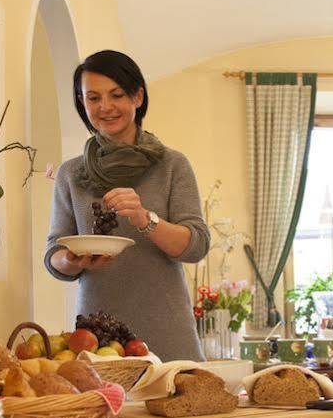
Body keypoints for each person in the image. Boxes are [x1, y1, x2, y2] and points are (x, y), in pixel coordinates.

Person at [44, 50, 209, 361]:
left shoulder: (172, 164)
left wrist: (145, 218)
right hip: (97, 341)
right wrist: (74, 259)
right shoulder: (71, 173)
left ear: (138, 96)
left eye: (116, 94)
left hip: (168, 334)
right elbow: (53, 255)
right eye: (93, 98)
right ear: (82, 103)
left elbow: (197, 245)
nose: (105, 107)